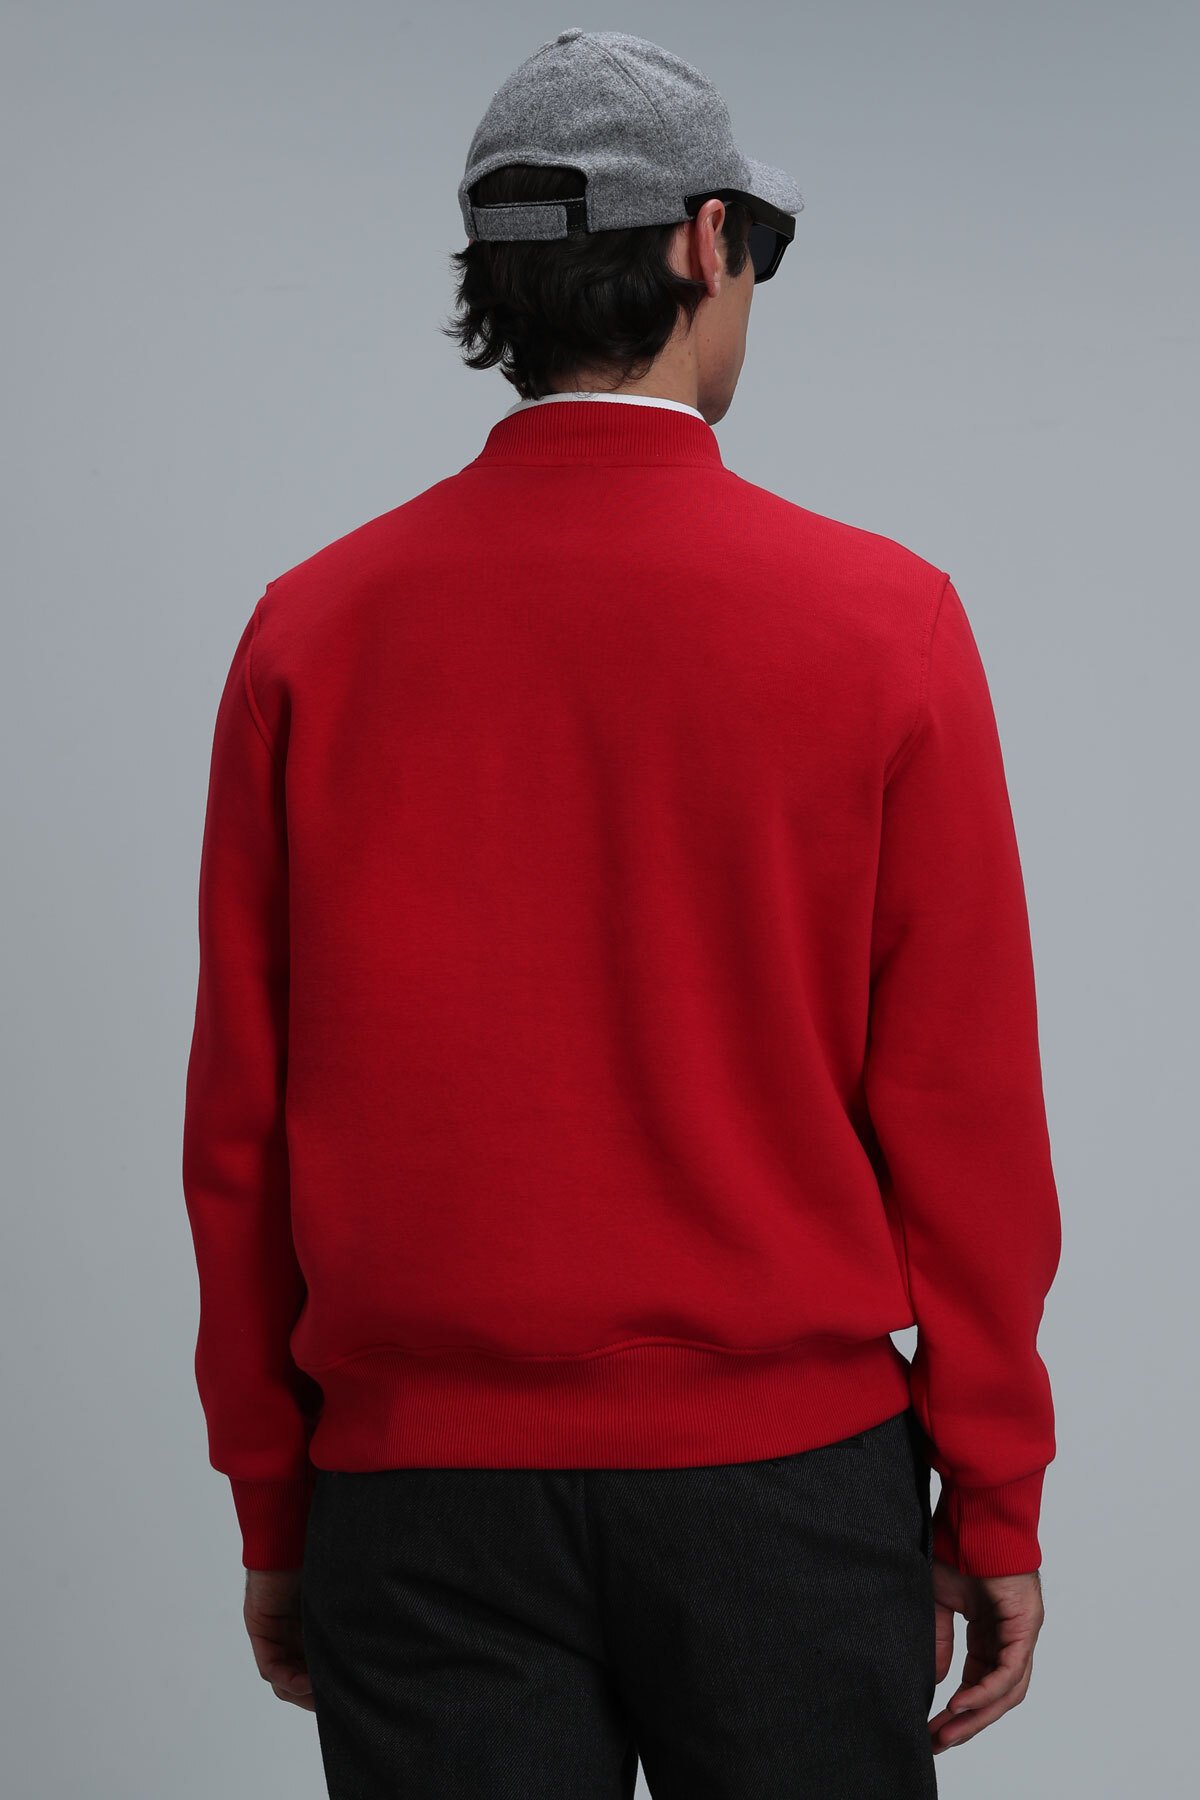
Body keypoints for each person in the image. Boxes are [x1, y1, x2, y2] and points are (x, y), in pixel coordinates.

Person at [181, 27, 1062, 1798]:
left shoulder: (311, 635)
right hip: (786, 1490)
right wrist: (992, 1490)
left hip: (416, 1503)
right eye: (757, 253)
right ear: (703, 242)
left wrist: (278, 1501)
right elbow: (962, 1110)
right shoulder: (884, 624)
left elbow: (241, 1137)